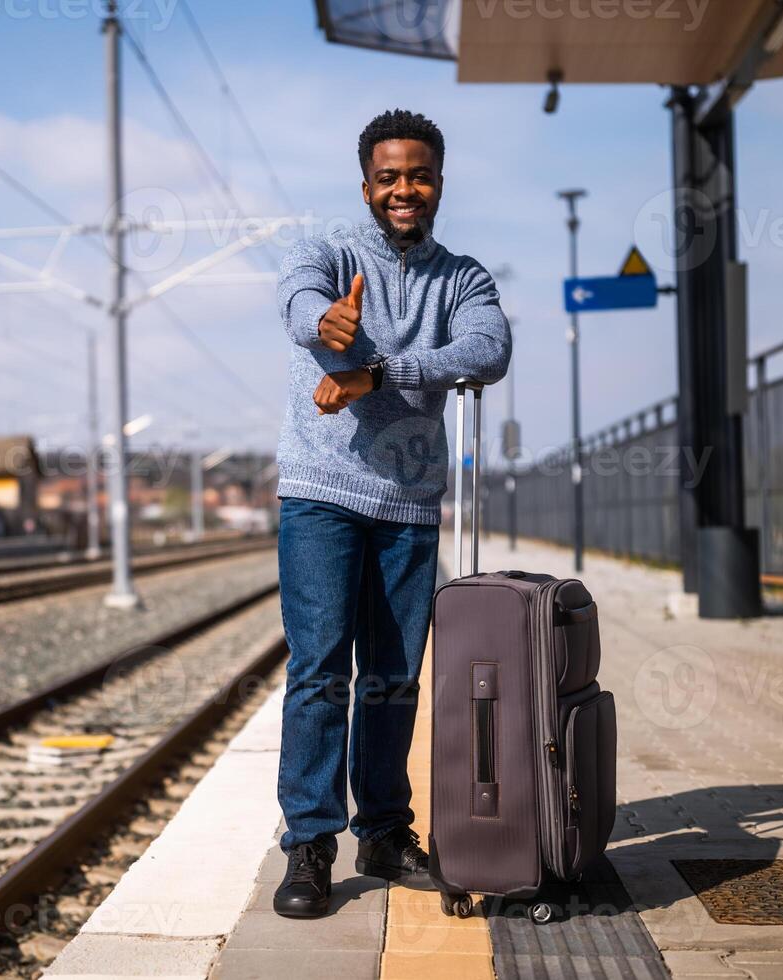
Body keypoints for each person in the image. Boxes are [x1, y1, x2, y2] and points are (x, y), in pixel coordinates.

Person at [271, 108, 511, 918]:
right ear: (366, 184)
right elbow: (298, 295)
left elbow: (488, 348)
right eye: (388, 177)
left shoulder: (464, 277)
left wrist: (380, 370)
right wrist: (324, 321)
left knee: (393, 678)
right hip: (322, 492)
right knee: (318, 672)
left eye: (418, 175)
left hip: (408, 503)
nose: (403, 189)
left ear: (438, 180)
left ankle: (383, 830)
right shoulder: (333, 251)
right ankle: (310, 843)